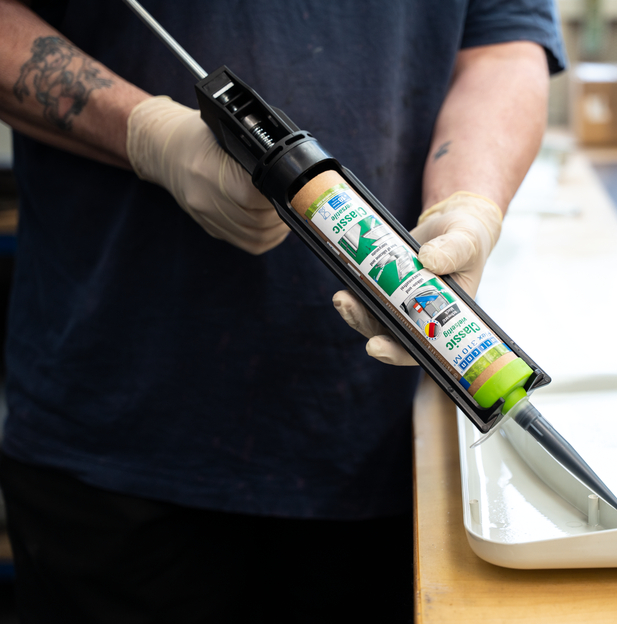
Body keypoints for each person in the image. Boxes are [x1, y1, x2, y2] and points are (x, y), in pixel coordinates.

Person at [0, 0, 565, 621]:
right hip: (112, 443)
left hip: (378, 450)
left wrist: (467, 201)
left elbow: (503, 45)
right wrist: (146, 133)